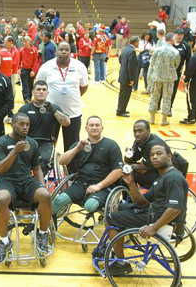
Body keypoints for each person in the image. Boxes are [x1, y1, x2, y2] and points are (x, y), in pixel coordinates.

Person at [106, 144, 188, 275]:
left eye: (159, 153)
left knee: (111, 218)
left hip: (162, 221)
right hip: (152, 213)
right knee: (119, 207)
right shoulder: (161, 177)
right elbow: (142, 202)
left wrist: (153, 228)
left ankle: (120, 263)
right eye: (152, 155)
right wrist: (131, 183)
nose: (154, 157)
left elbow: (175, 209)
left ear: (169, 156)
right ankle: (115, 243)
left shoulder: (173, 178)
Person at [0, 112, 52, 263]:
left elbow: (37, 168)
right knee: (2, 198)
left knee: (45, 195)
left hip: (26, 181)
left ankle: (43, 234)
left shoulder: (32, 143)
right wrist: (14, 151)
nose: (25, 127)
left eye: (27, 125)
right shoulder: (1, 143)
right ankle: (4, 241)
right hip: (7, 180)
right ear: (12, 124)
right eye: (21, 124)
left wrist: (42, 186)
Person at [52, 116, 123, 217]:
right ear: (86, 128)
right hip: (81, 184)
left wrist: (99, 186)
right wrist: (77, 148)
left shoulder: (111, 145)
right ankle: (44, 228)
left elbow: (118, 170)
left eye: (97, 125)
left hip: (103, 187)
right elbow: (62, 161)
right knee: (59, 200)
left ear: (102, 128)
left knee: (90, 205)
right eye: (91, 125)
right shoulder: (80, 145)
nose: (94, 127)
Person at [36, 41, 88, 156]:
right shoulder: (46, 67)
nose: (63, 52)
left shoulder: (80, 66)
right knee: (47, 145)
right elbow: (39, 86)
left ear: (71, 52)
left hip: (73, 113)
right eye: (61, 49)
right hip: (50, 114)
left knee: (72, 147)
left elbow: (84, 87)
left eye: (66, 50)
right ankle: (47, 169)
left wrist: (72, 97)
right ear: (56, 51)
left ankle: (71, 172)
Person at [18, 81, 70, 174]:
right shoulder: (24, 109)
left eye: (44, 90)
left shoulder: (54, 108)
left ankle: (39, 184)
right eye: (38, 89)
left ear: (47, 93)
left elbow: (67, 123)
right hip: (28, 141)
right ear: (33, 92)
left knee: (44, 161)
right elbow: (17, 128)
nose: (41, 92)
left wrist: (53, 111)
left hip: (46, 143)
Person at [124, 119, 169, 188]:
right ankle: (131, 197)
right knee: (125, 169)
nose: (137, 134)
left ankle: (130, 197)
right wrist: (128, 154)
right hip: (154, 170)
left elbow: (142, 170)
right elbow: (130, 160)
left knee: (125, 174)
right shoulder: (140, 140)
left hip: (164, 175)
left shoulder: (152, 144)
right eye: (135, 131)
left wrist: (125, 166)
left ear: (148, 131)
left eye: (140, 131)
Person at [147, 33, 180, 126]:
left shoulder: (156, 50)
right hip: (169, 78)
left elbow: (152, 64)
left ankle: (152, 118)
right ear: (172, 40)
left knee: (154, 96)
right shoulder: (175, 52)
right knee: (167, 97)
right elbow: (176, 65)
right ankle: (164, 119)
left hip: (156, 77)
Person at [180, 40, 196, 125]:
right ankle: (195, 117)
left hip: (194, 79)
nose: (194, 46)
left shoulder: (195, 57)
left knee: (191, 98)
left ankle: (191, 118)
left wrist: (186, 80)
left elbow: (191, 70)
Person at [170, 29, 191, 115]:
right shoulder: (170, 44)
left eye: (182, 35)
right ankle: (159, 105)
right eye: (179, 34)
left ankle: (169, 107)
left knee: (173, 90)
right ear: (175, 35)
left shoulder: (186, 46)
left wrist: (186, 73)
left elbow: (188, 61)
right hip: (166, 72)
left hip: (177, 73)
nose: (180, 36)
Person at [116, 36, 139, 117]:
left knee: (123, 94)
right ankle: (120, 111)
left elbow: (120, 59)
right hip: (127, 78)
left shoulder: (125, 49)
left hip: (122, 75)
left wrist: (123, 66)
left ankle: (121, 109)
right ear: (135, 42)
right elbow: (131, 67)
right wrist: (132, 79)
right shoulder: (132, 51)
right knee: (125, 94)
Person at [19, 36, 38, 103]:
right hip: (24, 69)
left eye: (26, 41)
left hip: (31, 69)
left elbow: (35, 61)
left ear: (29, 42)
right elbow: (19, 60)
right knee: (25, 84)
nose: (24, 43)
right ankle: (26, 98)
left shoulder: (34, 50)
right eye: (23, 41)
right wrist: (19, 69)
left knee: (30, 84)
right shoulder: (21, 50)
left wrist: (33, 70)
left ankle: (29, 97)